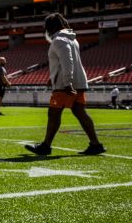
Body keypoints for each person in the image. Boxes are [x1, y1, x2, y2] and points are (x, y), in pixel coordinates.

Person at [25, 13, 106, 156]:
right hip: (78, 82)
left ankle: (45, 146)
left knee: (54, 113)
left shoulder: (58, 40)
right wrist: (53, 77)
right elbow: (68, 62)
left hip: (65, 85)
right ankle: (96, 144)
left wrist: (67, 82)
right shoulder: (72, 39)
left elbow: (67, 61)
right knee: (80, 113)